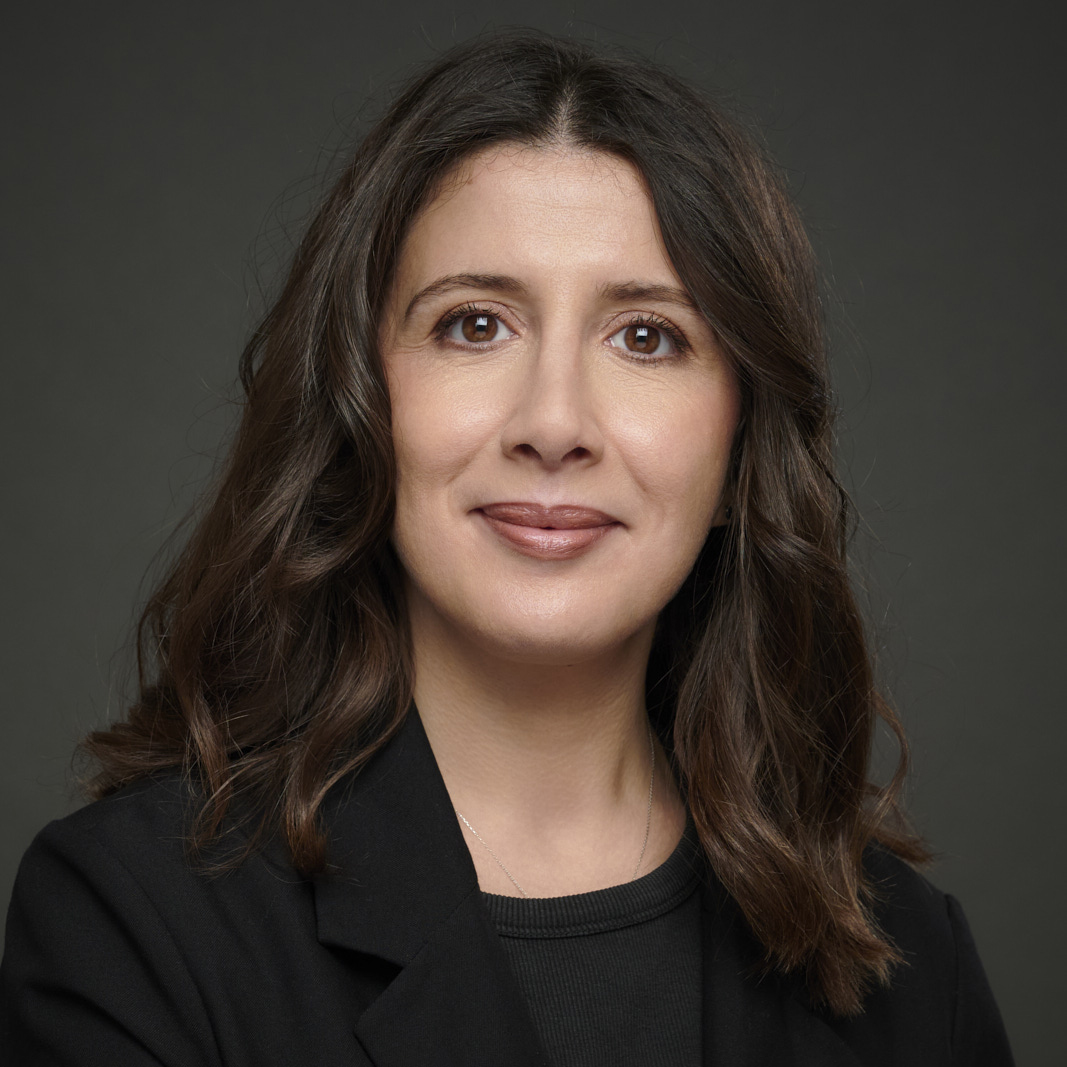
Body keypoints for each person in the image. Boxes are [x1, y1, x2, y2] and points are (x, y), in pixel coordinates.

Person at [0, 28, 1013, 1067]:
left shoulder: (911, 967)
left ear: (740, 446)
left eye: (646, 336)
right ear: (360, 405)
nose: (554, 421)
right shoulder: (134, 922)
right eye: (475, 325)